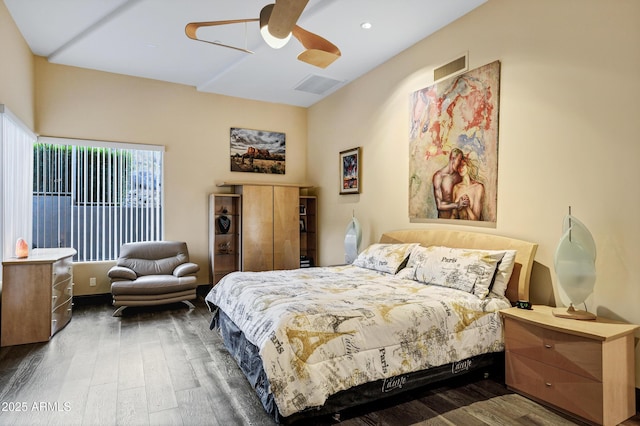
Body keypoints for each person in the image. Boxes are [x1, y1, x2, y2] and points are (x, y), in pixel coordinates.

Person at [432, 148, 468, 218]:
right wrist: (457, 205)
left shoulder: (459, 176)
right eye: (459, 160)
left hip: (457, 220)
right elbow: (439, 206)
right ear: (453, 158)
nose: (460, 163)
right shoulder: (438, 176)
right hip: (444, 219)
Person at [452, 155, 485, 221]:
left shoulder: (478, 187)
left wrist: (467, 207)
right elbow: (453, 215)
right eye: (458, 166)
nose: (460, 168)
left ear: (468, 166)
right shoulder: (456, 188)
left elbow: (476, 220)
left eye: (463, 165)